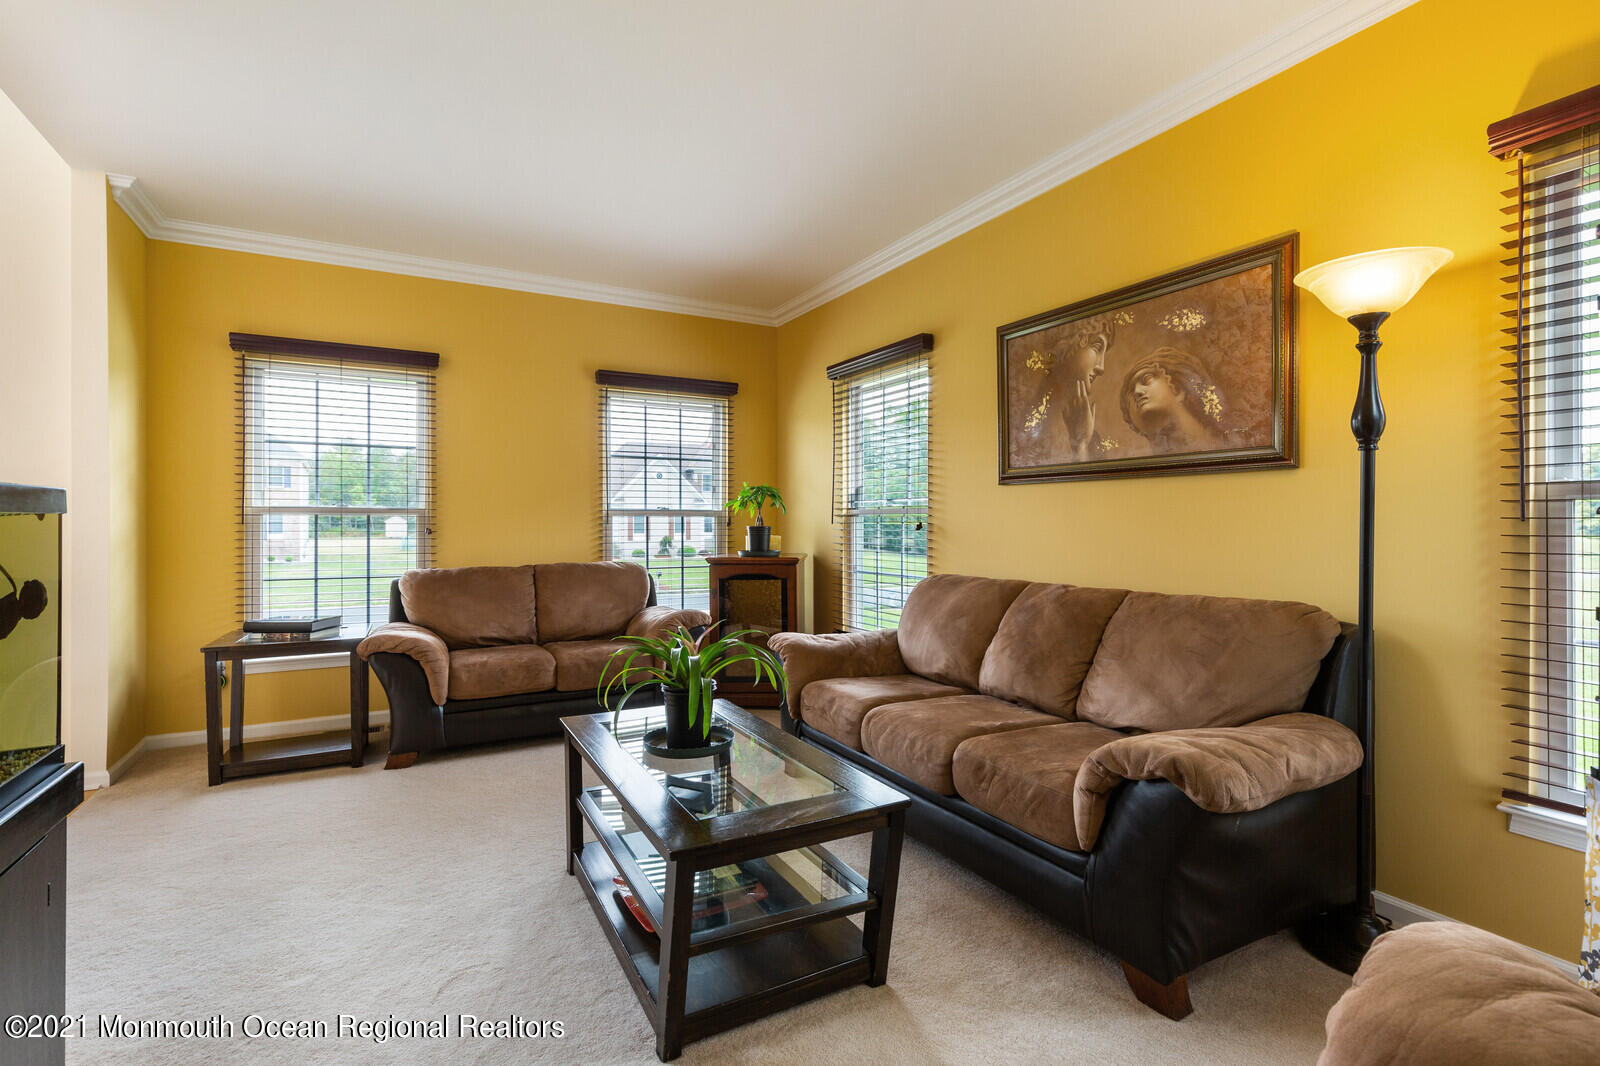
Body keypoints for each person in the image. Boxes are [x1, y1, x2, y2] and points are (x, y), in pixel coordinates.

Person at [1021, 314, 1116, 460]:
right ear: (1066, 345)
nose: (1101, 367)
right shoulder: (1026, 425)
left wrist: (1082, 444)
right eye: (1097, 348)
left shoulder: (1091, 436)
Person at [1117, 347, 1226, 454]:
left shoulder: (1222, 446)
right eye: (1131, 391)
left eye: (1147, 379)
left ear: (1177, 389)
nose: (1137, 391)